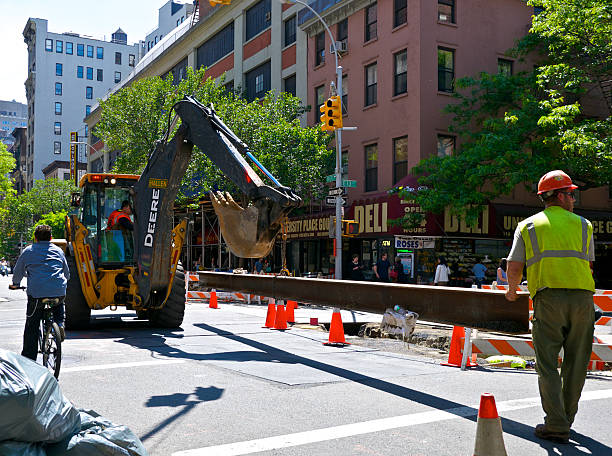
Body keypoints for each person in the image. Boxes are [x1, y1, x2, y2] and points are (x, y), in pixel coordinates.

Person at [505, 170, 595, 444]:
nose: (573, 199)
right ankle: (565, 419)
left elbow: (514, 266)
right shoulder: (584, 225)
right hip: (582, 300)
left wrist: (511, 292)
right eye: (570, 194)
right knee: (577, 363)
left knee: (547, 364)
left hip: (548, 300)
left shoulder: (528, 226)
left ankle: (556, 423)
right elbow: (588, 266)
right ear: (557, 196)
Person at [9, 225, 70, 360]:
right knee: (59, 304)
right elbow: (67, 274)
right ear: (51, 238)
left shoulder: (28, 251)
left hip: (37, 295)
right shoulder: (59, 251)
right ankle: (59, 324)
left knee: (32, 325)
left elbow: (18, 271)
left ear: (35, 238)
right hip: (58, 291)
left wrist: (15, 284)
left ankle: (29, 360)